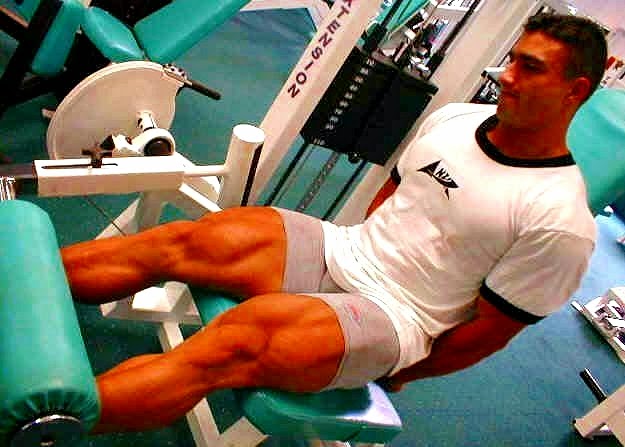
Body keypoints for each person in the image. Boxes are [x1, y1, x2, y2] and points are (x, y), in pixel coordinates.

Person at [60, 13, 607, 433]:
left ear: (576, 89)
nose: (506, 76)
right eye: (511, 60)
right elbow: (393, 195)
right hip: (343, 247)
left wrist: (399, 370)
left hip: (398, 315)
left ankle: (39, 419)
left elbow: (488, 333)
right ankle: (23, 292)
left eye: (530, 68)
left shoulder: (560, 221)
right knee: (180, 241)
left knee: (229, 344)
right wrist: (356, 254)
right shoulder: (456, 119)